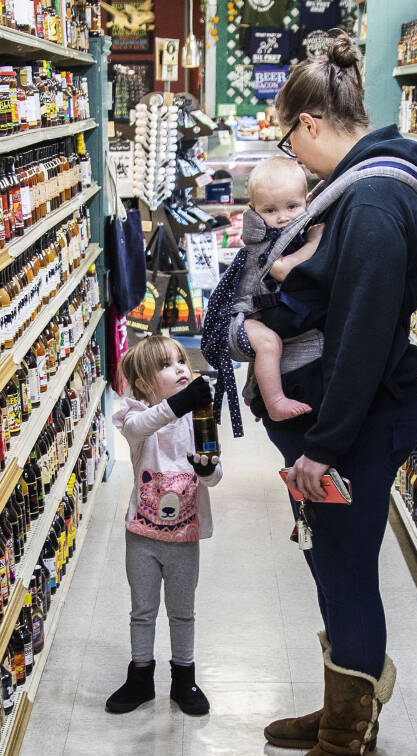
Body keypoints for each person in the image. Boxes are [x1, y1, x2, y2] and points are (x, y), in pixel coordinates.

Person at [256, 30, 417, 756]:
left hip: (356, 427)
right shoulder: (380, 179)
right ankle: (344, 702)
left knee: (348, 572)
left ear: (309, 125)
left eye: (294, 150)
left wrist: (322, 449)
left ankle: (347, 744)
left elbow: (361, 335)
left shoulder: (370, 197)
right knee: (332, 563)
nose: (298, 168)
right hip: (351, 423)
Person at [107, 335, 223, 717]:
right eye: (167, 365)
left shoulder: (199, 416)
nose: (180, 369)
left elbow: (215, 472)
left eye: (181, 362)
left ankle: (183, 677)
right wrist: (179, 404)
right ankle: (140, 676)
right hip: (141, 535)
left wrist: (208, 469)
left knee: (182, 610)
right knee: (142, 609)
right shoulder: (133, 415)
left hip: (184, 535)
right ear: (142, 383)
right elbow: (144, 426)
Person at [237, 157, 326, 421]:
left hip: (265, 309)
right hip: (247, 312)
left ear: (307, 202)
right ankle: (274, 402)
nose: (282, 217)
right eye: (270, 210)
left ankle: (256, 391)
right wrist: (315, 241)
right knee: (268, 344)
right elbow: (281, 269)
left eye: (291, 206)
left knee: (268, 350)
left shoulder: (290, 231)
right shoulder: (262, 237)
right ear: (253, 210)